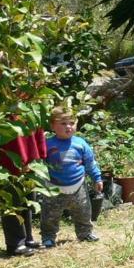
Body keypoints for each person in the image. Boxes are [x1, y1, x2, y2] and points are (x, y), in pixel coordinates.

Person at [40, 105, 103, 247]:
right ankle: (48, 237)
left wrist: (97, 178)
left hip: (78, 186)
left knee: (83, 211)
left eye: (72, 123)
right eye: (63, 123)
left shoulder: (80, 144)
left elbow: (90, 163)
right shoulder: (47, 145)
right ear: (53, 126)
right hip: (53, 188)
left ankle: (85, 233)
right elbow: (39, 164)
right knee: (50, 215)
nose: (68, 127)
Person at [0, 127, 48, 257]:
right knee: (11, 204)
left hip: (29, 165)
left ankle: (27, 238)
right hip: (7, 167)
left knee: (27, 202)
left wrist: (41, 155)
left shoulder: (30, 109)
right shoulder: (2, 110)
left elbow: (39, 133)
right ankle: (15, 243)